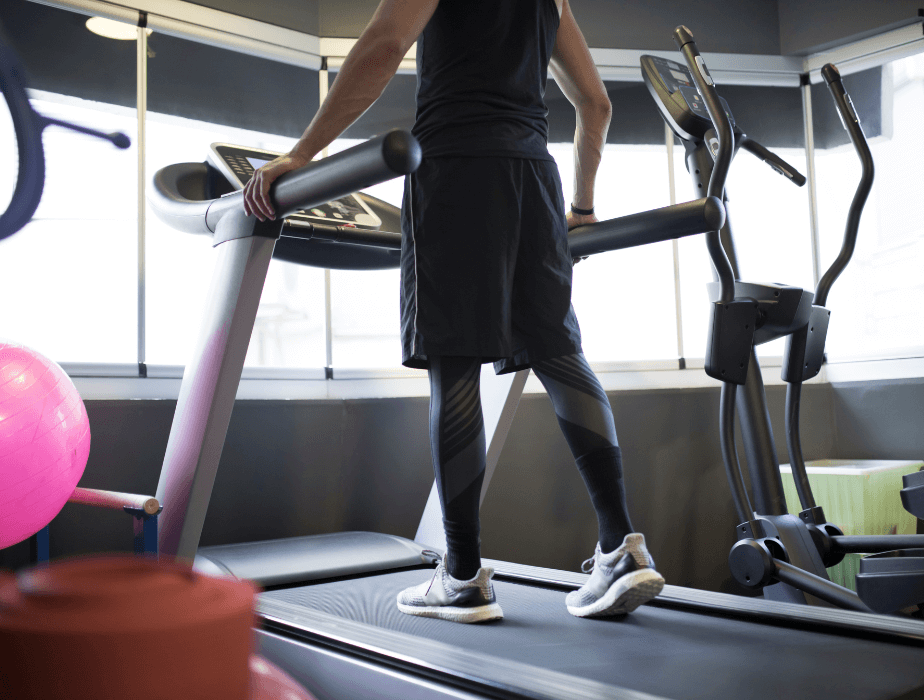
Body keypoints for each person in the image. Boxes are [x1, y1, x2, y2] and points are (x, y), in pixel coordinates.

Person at [242, 0, 664, 624]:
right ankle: (622, 546)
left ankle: (462, 574)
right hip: (535, 181)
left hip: (457, 169)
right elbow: (595, 103)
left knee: (456, 366)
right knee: (560, 356)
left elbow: (385, 45)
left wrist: (302, 155)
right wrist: (582, 206)